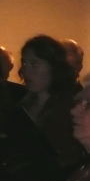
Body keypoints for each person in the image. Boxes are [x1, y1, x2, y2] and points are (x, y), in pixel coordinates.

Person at [18, 35, 84, 167]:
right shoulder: (21, 104)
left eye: (34, 64)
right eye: (24, 63)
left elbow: (70, 156)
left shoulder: (70, 108)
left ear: (54, 67)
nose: (26, 70)